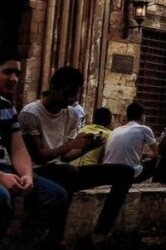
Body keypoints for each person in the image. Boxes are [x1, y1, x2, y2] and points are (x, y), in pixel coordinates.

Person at [19, 66, 135, 248]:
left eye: (74, 95)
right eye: (67, 94)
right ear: (54, 87)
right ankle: (55, 238)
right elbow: (40, 157)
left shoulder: (71, 113)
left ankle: (99, 234)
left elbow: (65, 156)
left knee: (125, 172)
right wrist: (72, 144)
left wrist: (87, 147)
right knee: (66, 173)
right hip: (38, 172)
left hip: (63, 170)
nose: (71, 100)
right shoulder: (30, 113)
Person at [0, 66, 67, 248]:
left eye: (17, 74)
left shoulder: (7, 107)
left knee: (55, 194)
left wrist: (27, 175)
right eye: (7, 72)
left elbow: (18, 150)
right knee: (1, 196)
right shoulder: (30, 112)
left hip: (7, 169)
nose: (14, 79)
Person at [103, 102, 158, 182]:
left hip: (108, 173)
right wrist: (146, 154)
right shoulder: (144, 129)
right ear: (142, 116)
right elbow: (157, 154)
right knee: (157, 161)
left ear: (127, 117)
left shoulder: (116, 130)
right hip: (129, 174)